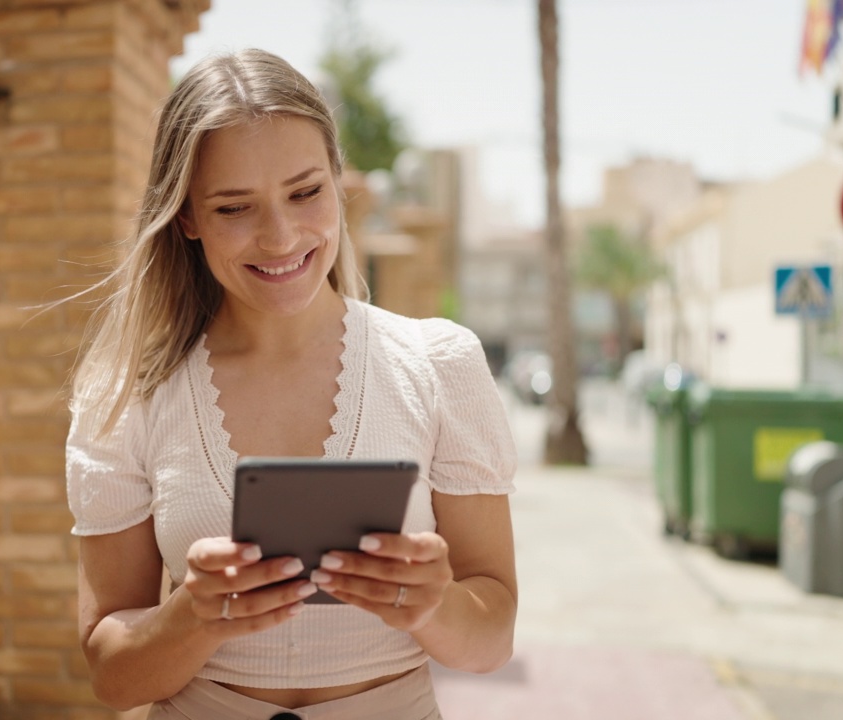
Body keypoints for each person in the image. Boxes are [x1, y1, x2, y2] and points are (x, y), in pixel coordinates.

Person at [64, 48, 518, 720]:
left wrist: (435, 604)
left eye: (306, 192)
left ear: (338, 183)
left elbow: (492, 636)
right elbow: (112, 675)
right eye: (233, 207)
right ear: (186, 216)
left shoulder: (439, 364)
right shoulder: (126, 395)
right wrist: (191, 619)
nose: (280, 237)